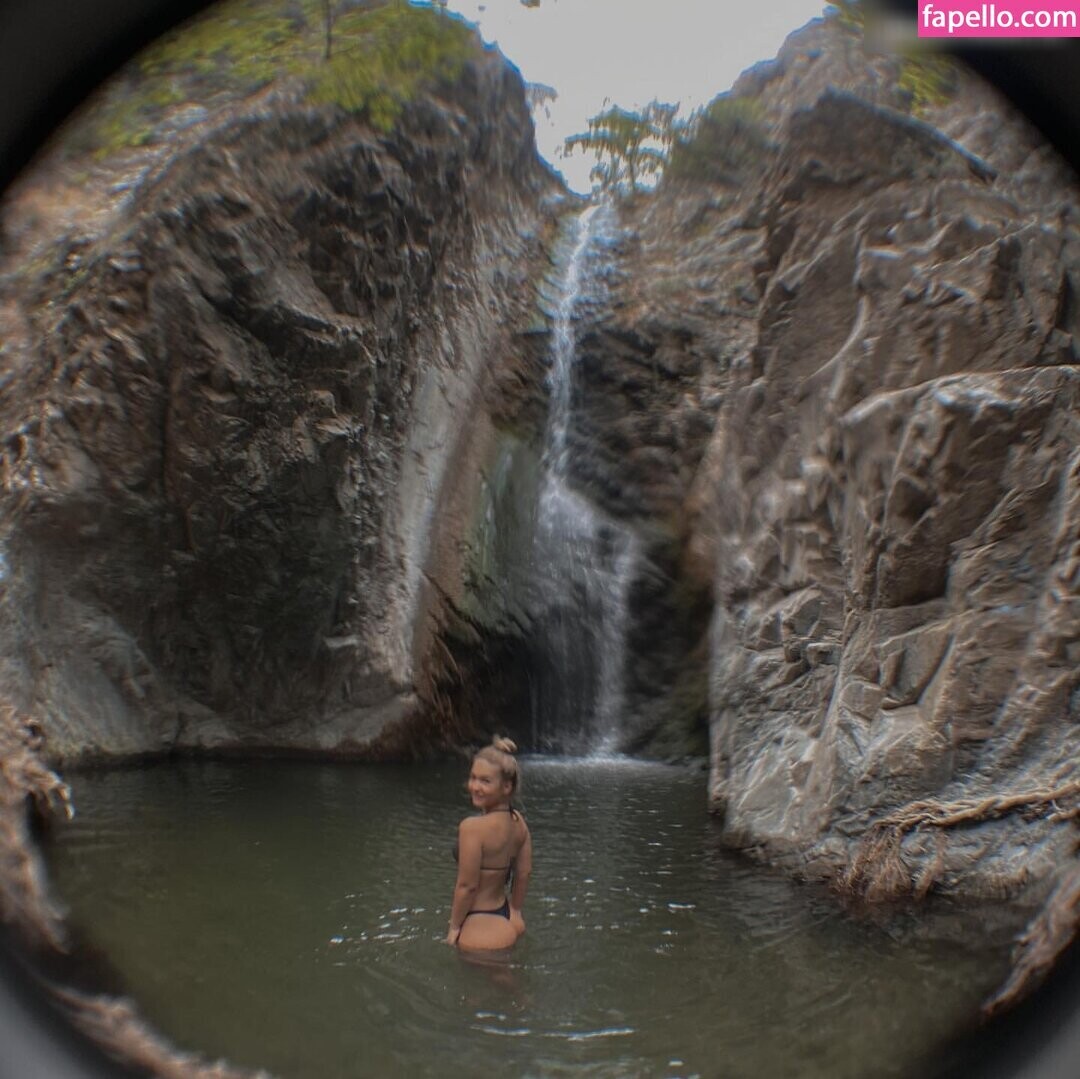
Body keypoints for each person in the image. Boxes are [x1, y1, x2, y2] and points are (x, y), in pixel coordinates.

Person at [446, 735, 532, 952]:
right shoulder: (519, 822)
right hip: (506, 915)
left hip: (480, 925)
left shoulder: (472, 828)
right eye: (473, 778)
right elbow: (524, 873)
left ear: (506, 786)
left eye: (485, 781)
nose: (475, 786)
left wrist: (454, 927)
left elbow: (467, 886)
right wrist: (516, 910)